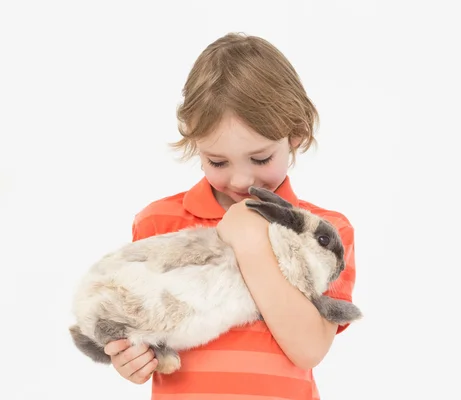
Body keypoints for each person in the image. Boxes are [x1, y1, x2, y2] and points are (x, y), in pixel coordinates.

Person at [103, 32, 357, 400]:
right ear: (195, 143)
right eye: (217, 161)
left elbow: (309, 349)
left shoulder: (324, 234)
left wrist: (250, 236)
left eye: (260, 158)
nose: (240, 180)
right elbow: (139, 328)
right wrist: (132, 358)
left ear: (296, 134)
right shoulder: (157, 222)